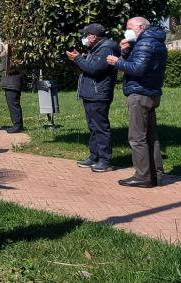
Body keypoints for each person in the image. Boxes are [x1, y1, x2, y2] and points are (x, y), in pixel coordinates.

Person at [107, 17, 168, 188]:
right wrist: (126, 53)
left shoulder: (144, 43)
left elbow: (138, 69)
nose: (127, 30)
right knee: (151, 136)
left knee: (137, 137)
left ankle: (142, 177)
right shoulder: (155, 41)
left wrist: (117, 61)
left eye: (129, 27)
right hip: (152, 92)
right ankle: (156, 174)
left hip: (140, 93)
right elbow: (140, 63)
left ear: (141, 27)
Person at [66, 23, 121, 173]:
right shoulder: (96, 49)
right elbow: (92, 64)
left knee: (100, 127)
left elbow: (95, 69)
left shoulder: (105, 49)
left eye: (86, 35)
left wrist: (78, 59)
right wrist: (82, 57)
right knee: (93, 126)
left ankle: (105, 160)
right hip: (91, 93)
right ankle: (94, 156)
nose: (84, 38)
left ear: (93, 36)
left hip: (98, 94)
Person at [0, 46, 24, 133]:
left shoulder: (14, 60)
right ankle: (17, 125)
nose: (3, 51)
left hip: (12, 85)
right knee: (13, 106)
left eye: (5, 50)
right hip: (10, 85)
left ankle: (17, 126)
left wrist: (3, 57)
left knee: (14, 106)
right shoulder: (10, 60)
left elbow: (6, 68)